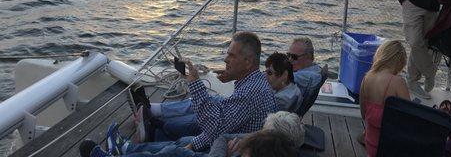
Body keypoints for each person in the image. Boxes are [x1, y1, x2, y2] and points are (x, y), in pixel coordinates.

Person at [126, 32, 276, 153]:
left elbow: (215, 128)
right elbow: (224, 124)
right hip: (227, 140)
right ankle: (129, 147)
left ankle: (131, 145)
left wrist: (195, 84)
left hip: (229, 150)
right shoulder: (255, 82)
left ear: (248, 62)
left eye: (231, 55)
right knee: (183, 142)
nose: (225, 59)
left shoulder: (250, 92)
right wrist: (231, 76)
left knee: (179, 147)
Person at [82, 111, 304, 157]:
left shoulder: (264, 146)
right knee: (181, 144)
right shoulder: (262, 143)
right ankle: (126, 149)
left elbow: (224, 137)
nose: (259, 135)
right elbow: (223, 136)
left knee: (175, 151)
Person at [359, 40, 410, 157]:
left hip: (371, 145)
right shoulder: (398, 82)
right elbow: (408, 119)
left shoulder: (366, 78)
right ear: (399, 61)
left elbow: (363, 114)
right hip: (389, 147)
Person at [287, 37, 322, 102]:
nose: (290, 60)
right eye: (288, 55)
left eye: (294, 57)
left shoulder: (304, 77)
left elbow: (278, 78)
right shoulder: (315, 69)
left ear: (308, 57)